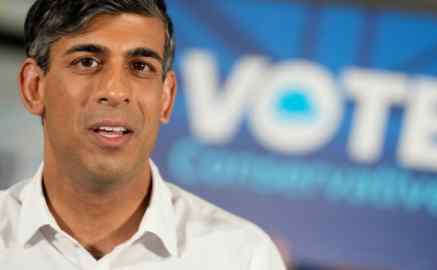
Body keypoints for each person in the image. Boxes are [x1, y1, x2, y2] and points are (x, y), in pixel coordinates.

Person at [0, 1, 286, 269]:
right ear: (33, 87)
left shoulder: (243, 256)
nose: (115, 91)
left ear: (166, 98)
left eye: (140, 67)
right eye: (86, 62)